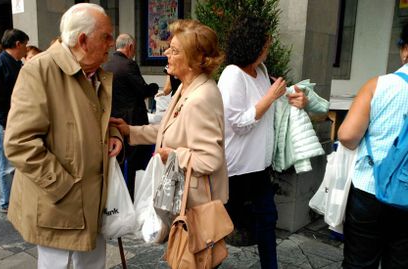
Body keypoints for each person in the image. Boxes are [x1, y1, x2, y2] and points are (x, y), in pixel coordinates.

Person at [3, 4, 122, 269]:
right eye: (106, 36)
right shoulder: (39, 71)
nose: (112, 43)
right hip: (60, 210)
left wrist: (113, 134)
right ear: (83, 40)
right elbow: (19, 143)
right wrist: (64, 187)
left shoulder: (95, 74)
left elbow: (94, 122)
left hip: (93, 205)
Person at [110, 18, 228, 223]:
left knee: (190, 255)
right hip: (183, 201)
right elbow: (170, 128)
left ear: (196, 58)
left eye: (174, 50)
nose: (166, 54)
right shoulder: (186, 87)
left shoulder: (203, 97)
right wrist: (130, 131)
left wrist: (172, 155)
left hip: (197, 206)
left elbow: (209, 160)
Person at [217, 16, 306, 269]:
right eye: (266, 41)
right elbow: (238, 123)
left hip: (259, 167)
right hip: (236, 169)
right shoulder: (232, 74)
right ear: (253, 43)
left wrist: (295, 98)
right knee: (220, 226)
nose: (270, 45)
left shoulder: (262, 71)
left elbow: (270, 106)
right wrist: (270, 96)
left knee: (268, 220)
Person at [338, 22, 408, 269]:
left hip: (370, 189)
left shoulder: (378, 86)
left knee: (359, 263)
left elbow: (346, 136)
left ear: (405, 50)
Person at [103, 33, 159, 198]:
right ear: (130, 47)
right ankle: (133, 197)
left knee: (117, 161)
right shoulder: (128, 65)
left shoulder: (106, 64)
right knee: (135, 164)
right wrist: (154, 88)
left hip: (113, 119)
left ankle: (118, 198)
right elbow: (142, 90)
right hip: (132, 120)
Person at [0, 28, 29, 213]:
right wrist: (8, 122)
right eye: (25, 45)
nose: (26, 49)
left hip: (15, 121)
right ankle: (6, 202)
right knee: (5, 165)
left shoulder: (16, 63)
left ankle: (16, 199)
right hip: (4, 122)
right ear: (18, 44)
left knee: (15, 164)